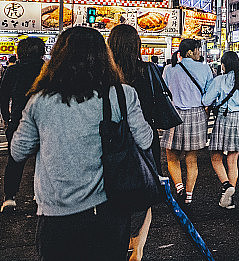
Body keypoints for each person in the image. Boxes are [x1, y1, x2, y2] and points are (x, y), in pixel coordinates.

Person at [11, 27, 152, 260]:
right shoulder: (121, 93)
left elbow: (18, 151)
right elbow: (145, 139)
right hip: (108, 208)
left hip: (55, 213)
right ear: (104, 56)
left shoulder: (40, 100)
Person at [107, 25, 162, 260]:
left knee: (113, 192)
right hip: (144, 136)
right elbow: (158, 101)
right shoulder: (147, 69)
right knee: (146, 191)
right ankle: (138, 247)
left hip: (113, 140)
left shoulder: (106, 73)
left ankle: (120, 242)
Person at [161, 38, 214, 206]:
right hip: (196, 114)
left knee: (172, 157)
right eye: (198, 49)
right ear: (190, 52)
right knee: (192, 160)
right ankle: (189, 195)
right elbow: (208, 95)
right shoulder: (205, 68)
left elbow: (164, 92)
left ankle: (179, 188)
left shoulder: (170, 69)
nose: (200, 52)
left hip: (174, 114)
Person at [0, 38, 46, 212]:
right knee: (43, 159)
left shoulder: (13, 70)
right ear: (41, 52)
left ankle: (10, 198)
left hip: (18, 119)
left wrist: (6, 117)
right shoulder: (47, 69)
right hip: (44, 120)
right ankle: (39, 195)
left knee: (14, 159)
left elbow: (3, 97)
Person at [203, 51, 239, 209]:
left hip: (225, 118)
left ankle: (226, 186)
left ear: (224, 65)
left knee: (215, 156)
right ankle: (229, 198)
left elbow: (206, 100)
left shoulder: (220, 80)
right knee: (232, 161)